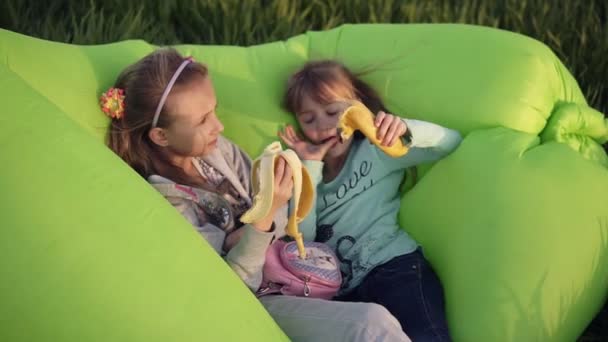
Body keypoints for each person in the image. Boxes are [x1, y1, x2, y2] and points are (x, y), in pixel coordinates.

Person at [103, 48, 411, 342]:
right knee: (370, 325)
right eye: (202, 121)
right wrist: (262, 220)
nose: (219, 126)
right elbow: (233, 284)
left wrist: (257, 226)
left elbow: (278, 206)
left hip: (295, 272)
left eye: (214, 111)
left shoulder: (218, 150)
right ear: (160, 136)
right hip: (260, 299)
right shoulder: (170, 201)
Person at [279, 60, 462, 341]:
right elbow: (304, 241)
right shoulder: (306, 175)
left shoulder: (376, 151)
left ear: (356, 107)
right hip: (344, 293)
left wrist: (405, 129)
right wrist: (310, 165)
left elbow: (450, 143)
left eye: (332, 111)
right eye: (309, 119)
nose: (324, 125)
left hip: (396, 269)